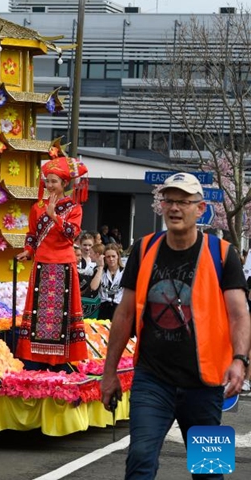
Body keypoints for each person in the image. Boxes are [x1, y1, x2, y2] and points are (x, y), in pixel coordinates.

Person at [101, 172, 251, 479]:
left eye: (183, 201)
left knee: (209, 471)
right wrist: (109, 373)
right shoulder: (143, 250)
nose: (174, 207)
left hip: (206, 385)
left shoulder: (223, 254)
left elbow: (239, 314)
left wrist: (240, 360)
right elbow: (124, 315)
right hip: (153, 380)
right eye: (168, 200)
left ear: (200, 209)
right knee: (140, 458)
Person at [15, 154, 89, 366]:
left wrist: (55, 216)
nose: (49, 185)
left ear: (64, 184)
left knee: (62, 315)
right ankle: (35, 356)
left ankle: (62, 358)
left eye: (54, 181)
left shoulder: (74, 208)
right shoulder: (37, 207)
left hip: (64, 265)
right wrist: (28, 250)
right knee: (39, 314)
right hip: (42, 264)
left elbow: (72, 233)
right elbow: (32, 234)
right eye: (47, 181)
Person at [98, 244, 124, 321]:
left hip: (119, 307)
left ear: (118, 257)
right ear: (104, 258)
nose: (111, 259)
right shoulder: (100, 271)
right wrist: (100, 267)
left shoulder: (125, 272)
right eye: (108, 257)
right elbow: (93, 287)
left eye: (113, 256)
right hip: (104, 308)